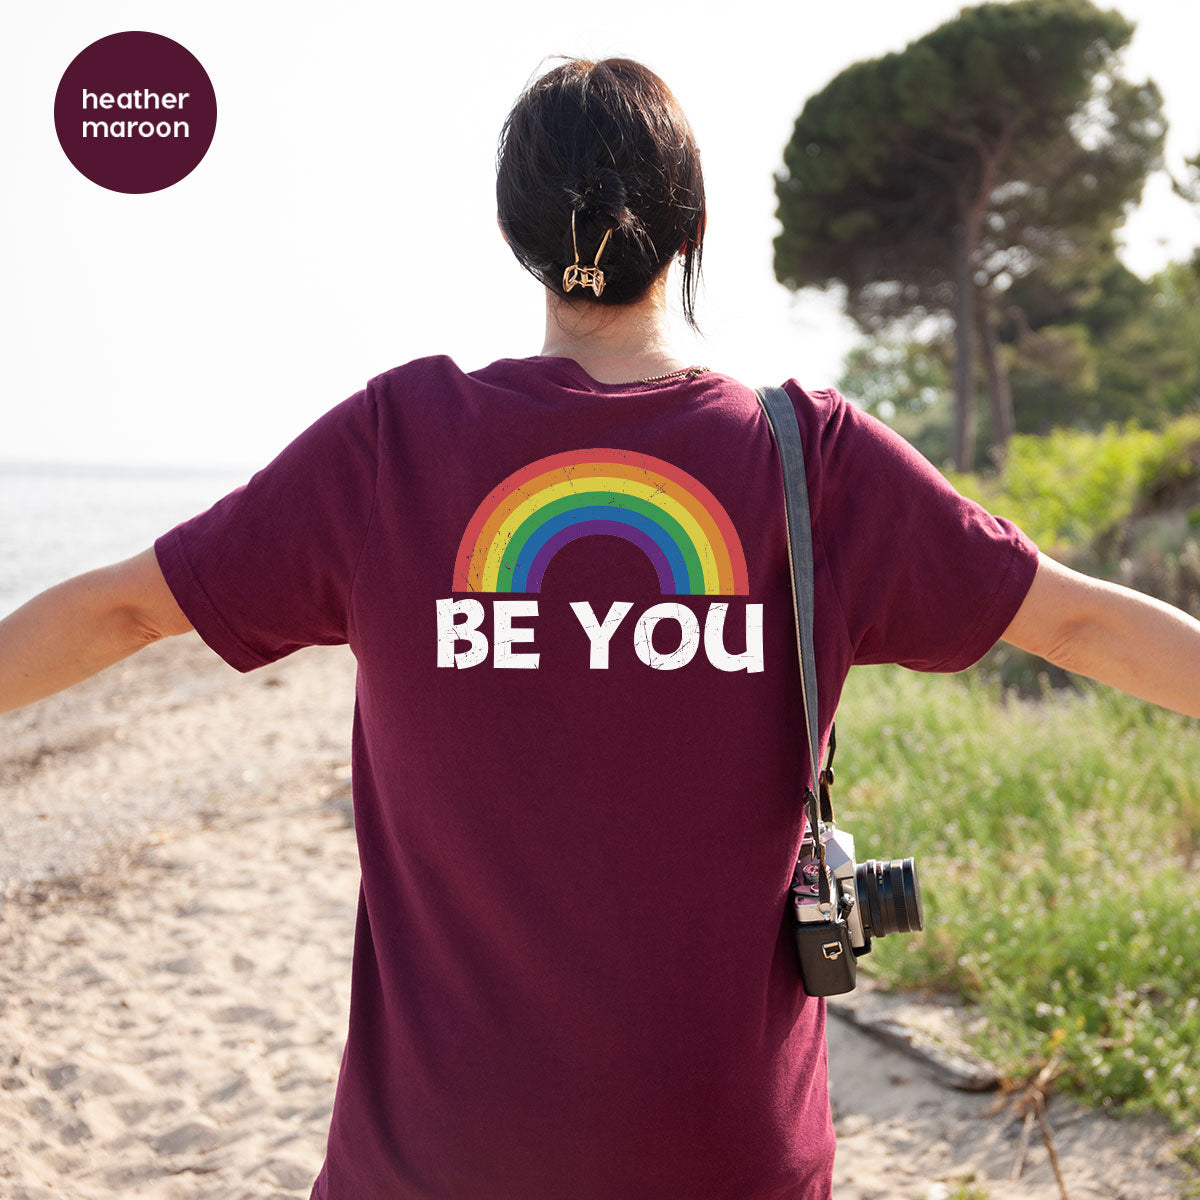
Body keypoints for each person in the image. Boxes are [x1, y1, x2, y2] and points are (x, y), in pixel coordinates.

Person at [1, 56, 1198, 1200]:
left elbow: (124, 604)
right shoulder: (812, 461)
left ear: (521, 240)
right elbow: (1080, 625)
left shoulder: (396, 446)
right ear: (693, 233)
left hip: (438, 1162)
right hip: (728, 1161)